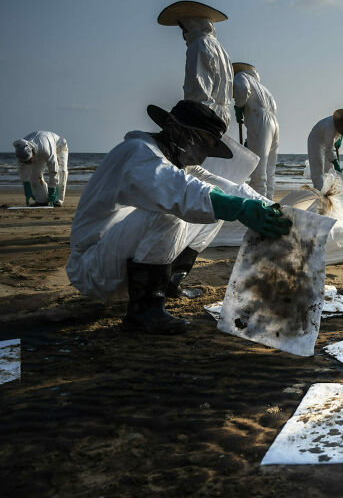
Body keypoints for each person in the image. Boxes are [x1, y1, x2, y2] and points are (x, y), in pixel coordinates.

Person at [66, 100, 291, 335]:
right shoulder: (138, 153)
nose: (202, 156)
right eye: (202, 143)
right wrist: (239, 208)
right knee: (176, 210)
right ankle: (144, 309)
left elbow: (229, 189)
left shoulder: (175, 162)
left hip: (123, 260)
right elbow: (180, 192)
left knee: (214, 207)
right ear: (174, 128)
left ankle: (169, 282)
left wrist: (276, 209)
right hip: (92, 267)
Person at [158, 0, 234, 126]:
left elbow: (199, 89)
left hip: (204, 116)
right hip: (221, 117)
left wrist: (188, 116)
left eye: (183, 27)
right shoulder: (220, 48)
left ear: (191, 24)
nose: (183, 32)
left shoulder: (199, 45)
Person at [233, 62, 281, 199]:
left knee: (258, 167)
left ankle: (259, 201)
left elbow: (242, 89)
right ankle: (269, 199)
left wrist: (239, 105)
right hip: (274, 122)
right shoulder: (263, 88)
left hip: (260, 119)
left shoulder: (240, 76)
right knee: (269, 166)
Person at [307, 109, 343, 192]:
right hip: (316, 142)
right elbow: (329, 149)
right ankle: (320, 194)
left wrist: (339, 139)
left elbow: (342, 132)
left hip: (327, 142)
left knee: (329, 171)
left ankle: (329, 192)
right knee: (318, 169)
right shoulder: (330, 127)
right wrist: (336, 162)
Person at [13, 131, 69, 206]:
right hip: (38, 149)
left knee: (61, 171)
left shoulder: (45, 149)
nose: (28, 163)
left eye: (29, 161)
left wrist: (52, 188)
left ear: (32, 153)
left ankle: (57, 200)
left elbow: (53, 169)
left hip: (59, 146)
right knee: (34, 174)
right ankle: (41, 200)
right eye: (26, 162)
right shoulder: (21, 151)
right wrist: (26, 184)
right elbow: (22, 169)